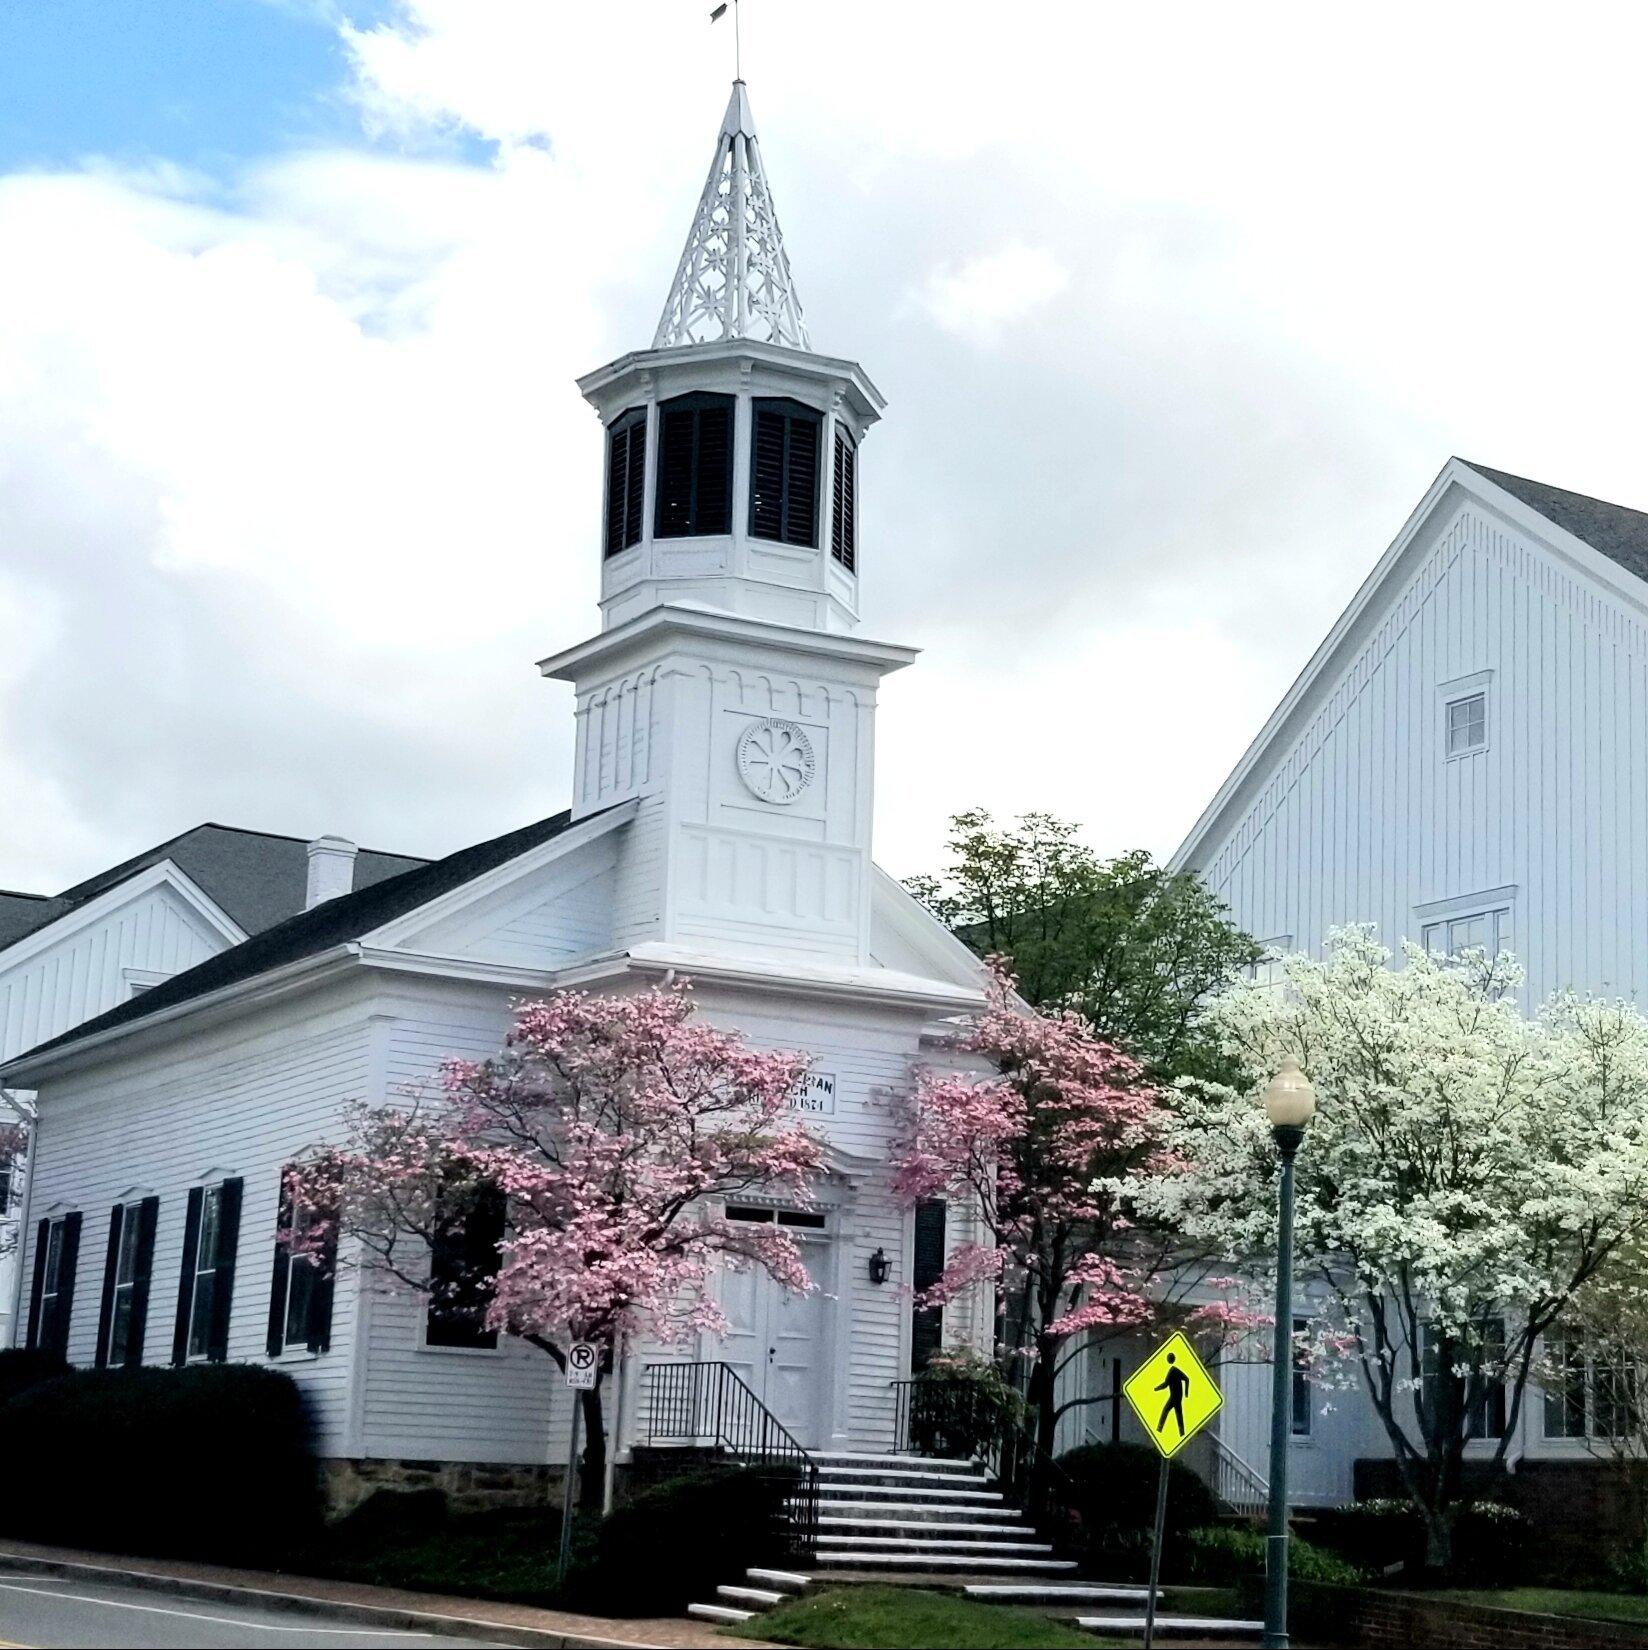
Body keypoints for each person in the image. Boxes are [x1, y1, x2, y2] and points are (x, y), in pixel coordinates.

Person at [1155, 1351, 1191, 1439]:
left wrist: (1156, 1389)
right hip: (1177, 1396)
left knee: (1167, 1411)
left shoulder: (1172, 1371)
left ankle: (1160, 1428)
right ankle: (1181, 1432)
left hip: (1175, 1396)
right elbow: (1186, 1379)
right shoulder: (1175, 1370)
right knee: (1178, 1414)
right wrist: (1185, 1393)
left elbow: (1165, 1384)